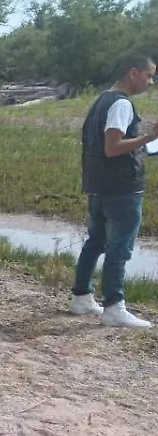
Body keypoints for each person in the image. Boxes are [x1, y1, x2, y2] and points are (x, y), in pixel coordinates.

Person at [69, 53, 158, 330]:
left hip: (99, 185)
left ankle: (81, 297)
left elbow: (106, 145)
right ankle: (114, 307)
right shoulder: (121, 103)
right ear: (133, 73)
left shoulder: (101, 100)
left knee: (95, 242)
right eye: (149, 75)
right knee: (119, 248)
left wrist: (140, 146)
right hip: (121, 189)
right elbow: (112, 147)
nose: (151, 82)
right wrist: (149, 137)